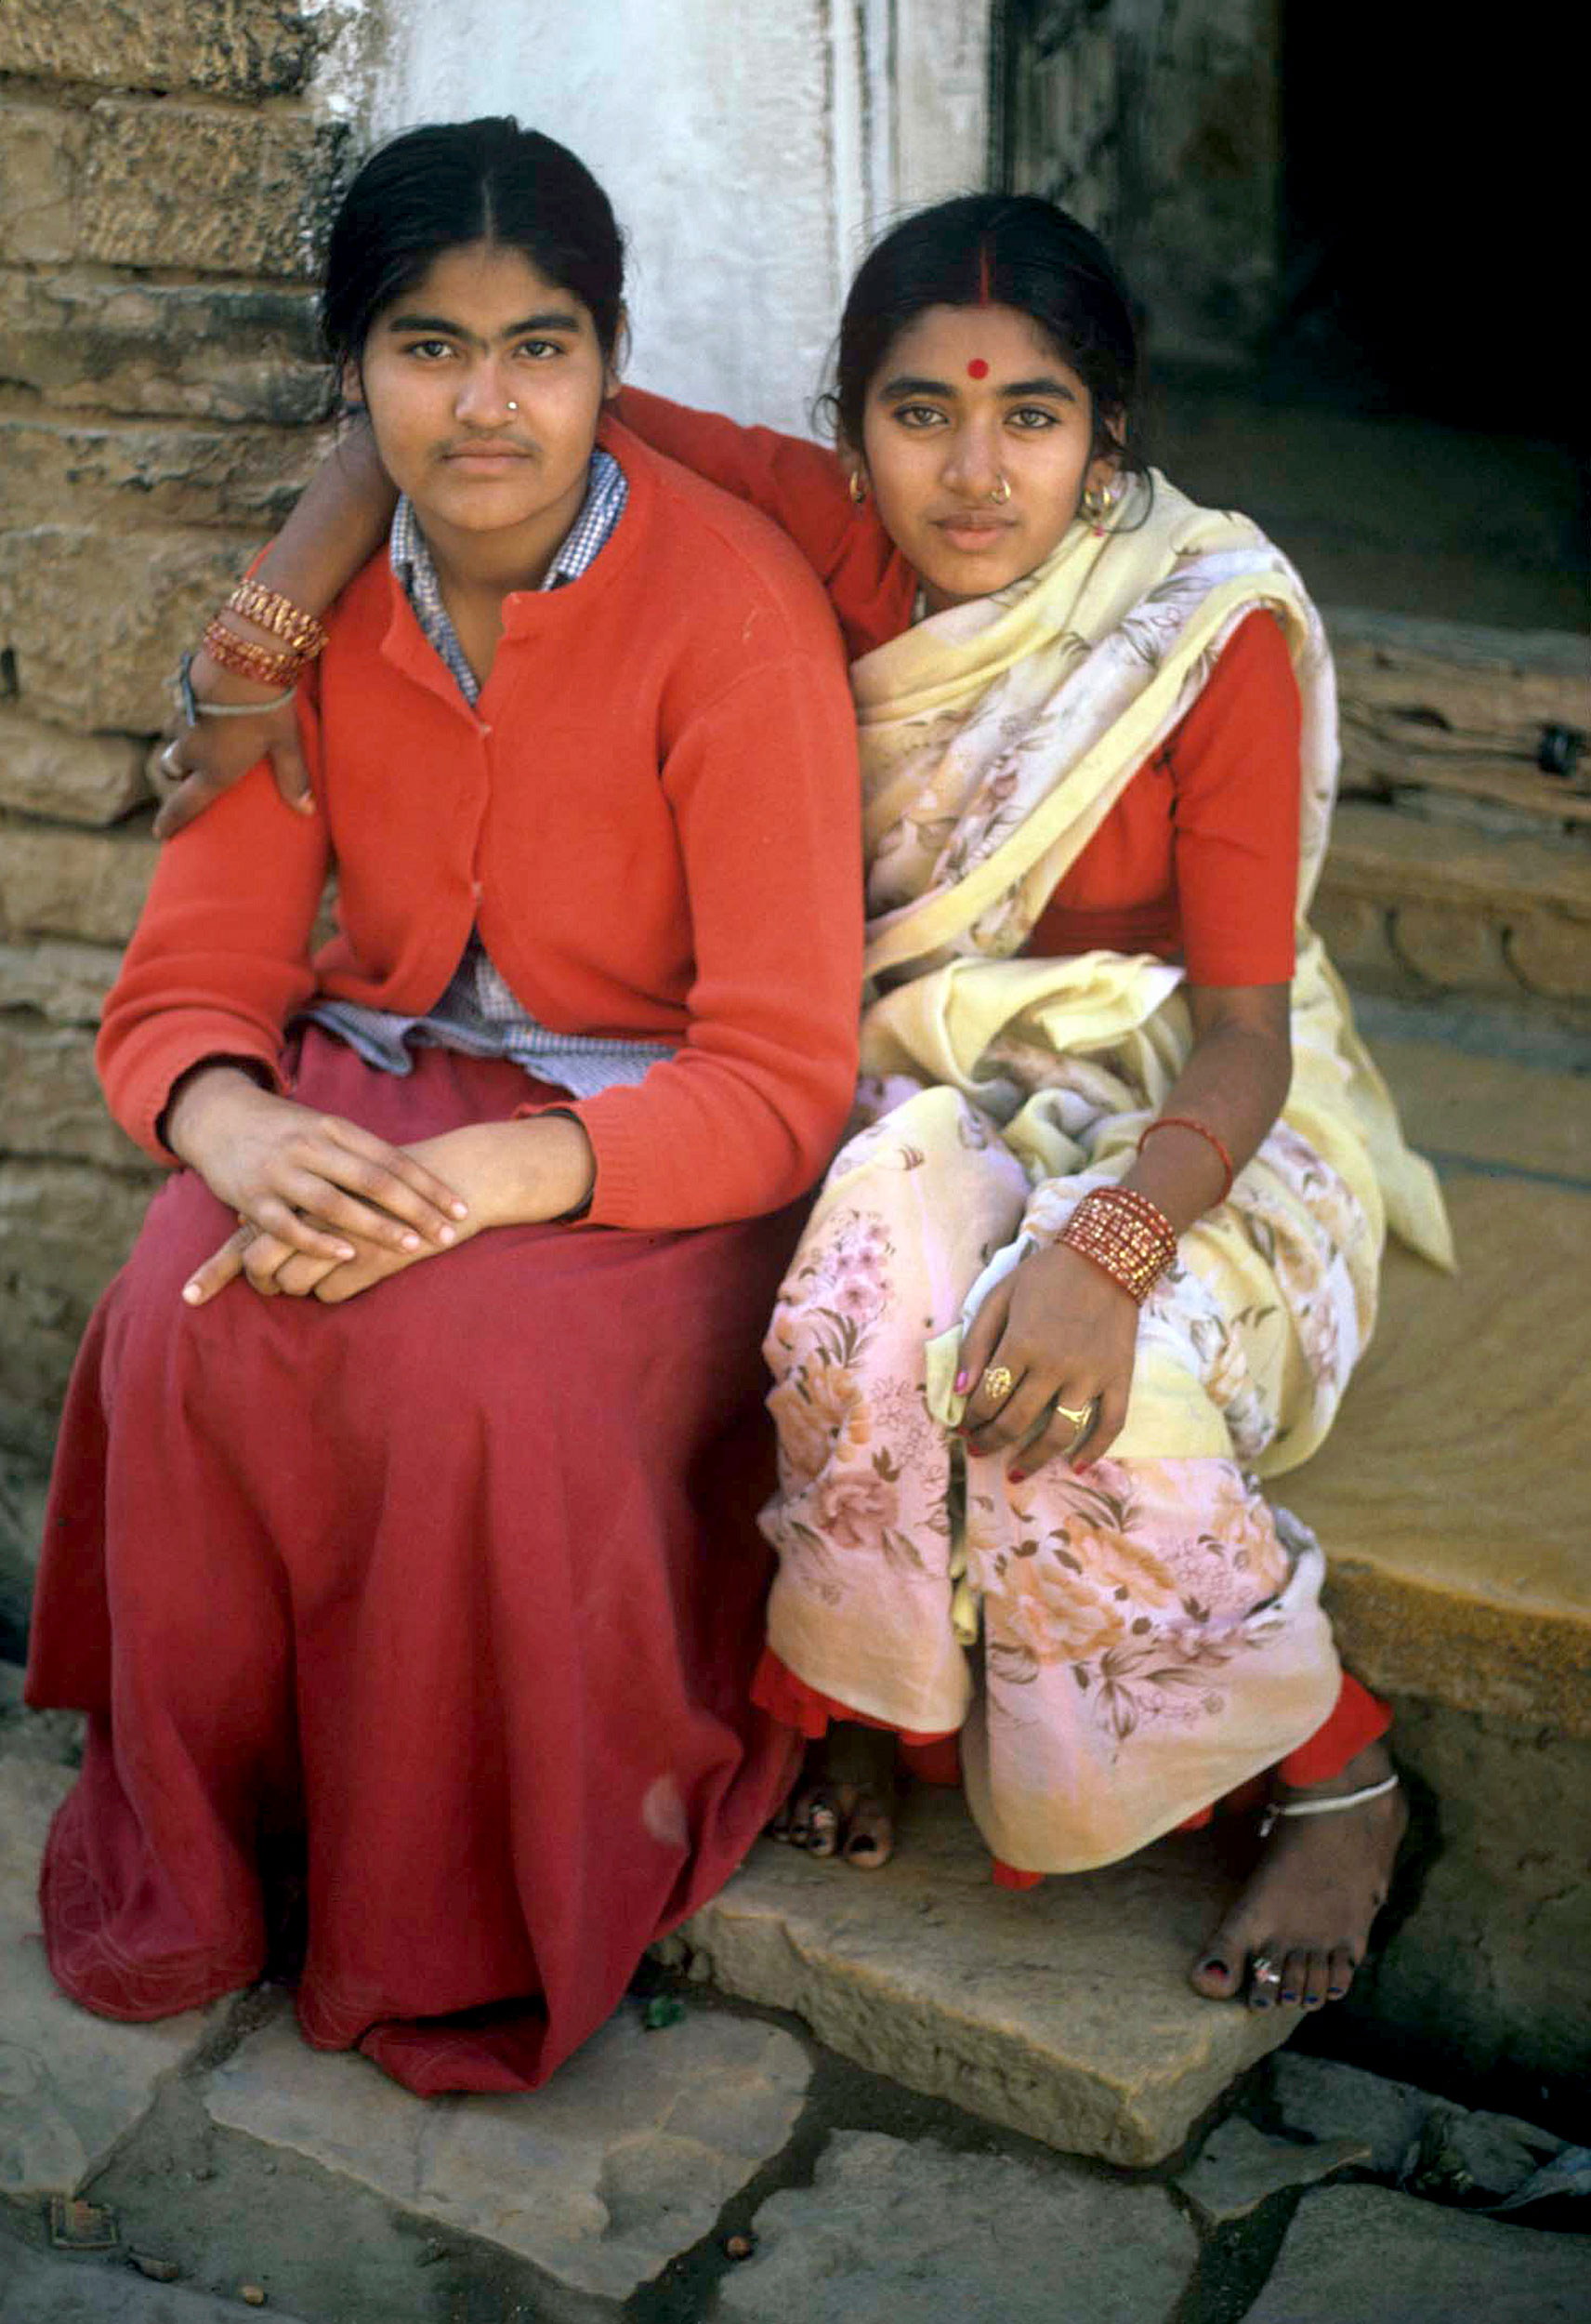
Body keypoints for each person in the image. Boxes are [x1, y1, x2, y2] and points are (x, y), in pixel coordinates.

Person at [151, 192, 1453, 2019]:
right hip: (909, 1066)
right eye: (920, 413)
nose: (974, 472)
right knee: (852, 1295)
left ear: (1108, 436)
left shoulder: (1200, 624)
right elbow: (421, 418)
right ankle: (876, 1707)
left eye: (1034, 416)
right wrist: (261, 639)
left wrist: (1111, 1242)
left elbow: (1245, 1031)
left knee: (1080, 1368)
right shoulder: (825, 533)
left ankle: (1335, 1764)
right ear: (850, 432)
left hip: (1177, 1097)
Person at [22, 118, 866, 2096]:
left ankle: (444, 1915)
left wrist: (511, 1168)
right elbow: (190, 974)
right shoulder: (307, 628)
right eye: (426, 348)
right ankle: (217, 1863)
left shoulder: (726, 613)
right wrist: (225, 1124)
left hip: (654, 1148)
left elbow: (778, 1070)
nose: (485, 405)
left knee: (466, 1371)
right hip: (374, 1079)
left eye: (540, 347)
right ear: (353, 369)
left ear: (609, 355)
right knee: (185, 1309)